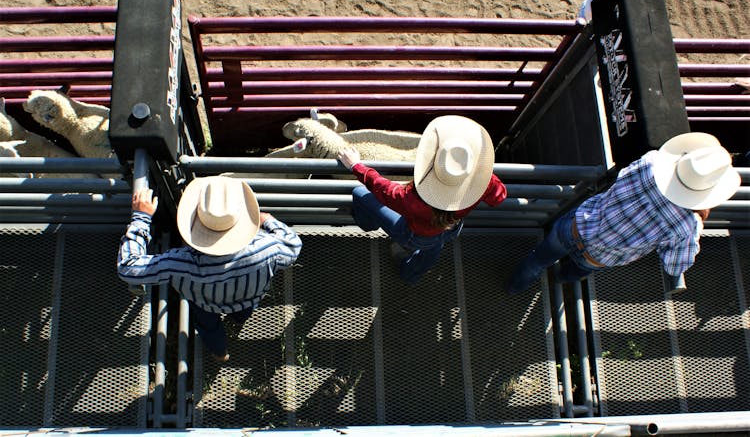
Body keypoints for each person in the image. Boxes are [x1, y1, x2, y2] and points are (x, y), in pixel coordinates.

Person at [505, 132, 741, 295]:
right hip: (598, 257)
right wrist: (698, 216)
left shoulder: (651, 162)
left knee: (538, 259)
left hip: (577, 226)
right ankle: (558, 280)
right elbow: (675, 265)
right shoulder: (687, 225)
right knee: (572, 273)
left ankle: (515, 286)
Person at [117, 176, 302, 362]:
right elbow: (294, 245)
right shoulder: (267, 249)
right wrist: (269, 220)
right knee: (242, 312)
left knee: (208, 327)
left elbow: (128, 267)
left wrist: (141, 218)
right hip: (247, 298)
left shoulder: (180, 263)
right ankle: (238, 319)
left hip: (205, 303)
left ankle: (220, 353)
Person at [337, 115, 507, 284]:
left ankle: (368, 224)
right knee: (433, 247)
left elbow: (383, 188)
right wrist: (484, 174)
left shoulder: (412, 199)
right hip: (451, 227)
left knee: (360, 194)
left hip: (416, 235)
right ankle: (410, 275)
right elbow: (498, 197)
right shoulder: (485, 183)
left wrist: (356, 166)